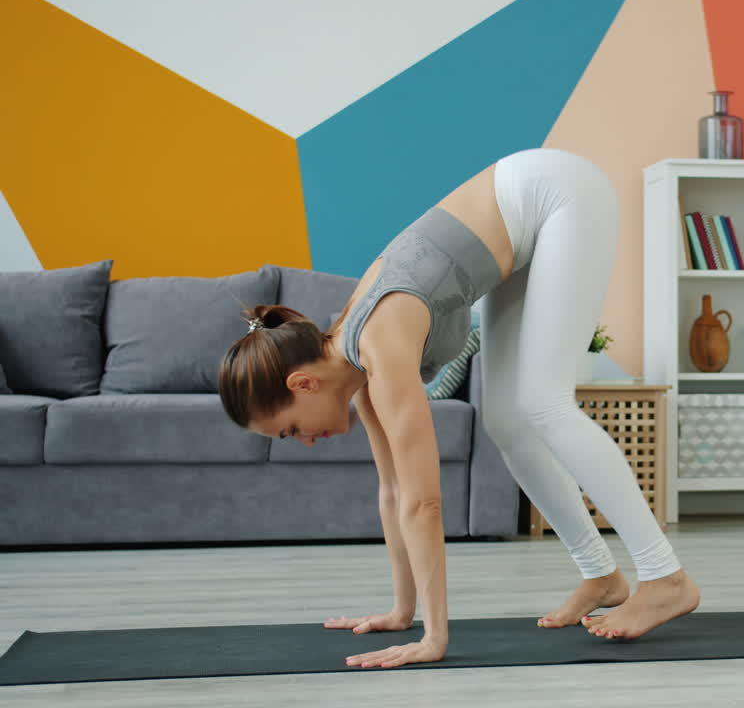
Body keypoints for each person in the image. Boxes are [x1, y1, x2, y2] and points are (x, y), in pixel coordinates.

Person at [218, 148, 700, 669]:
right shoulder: (352, 364)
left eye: (291, 429)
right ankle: (602, 576)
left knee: (544, 403)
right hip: (521, 233)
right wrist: (402, 612)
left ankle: (665, 576)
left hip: (559, 193)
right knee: (507, 422)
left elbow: (424, 503)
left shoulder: (379, 341)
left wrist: (434, 638)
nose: (305, 442)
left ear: (303, 383)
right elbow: (393, 493)